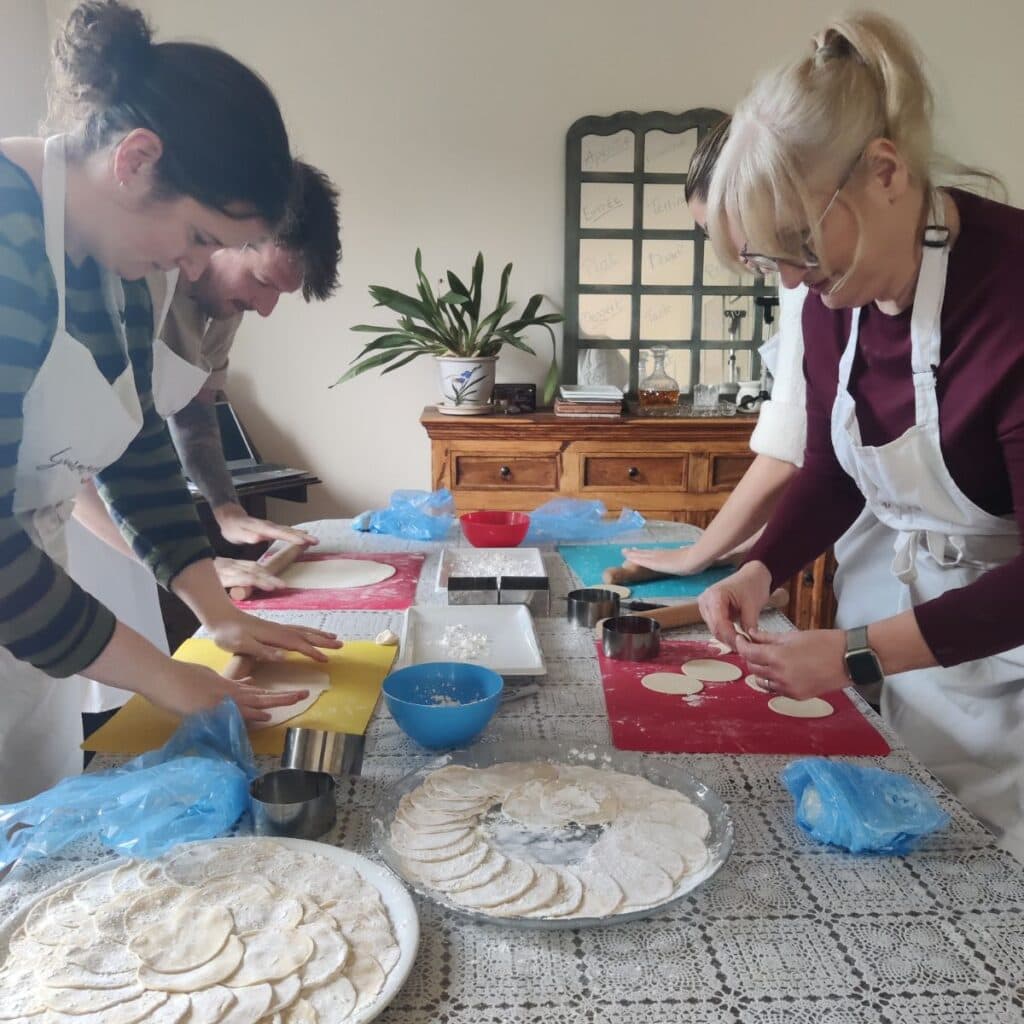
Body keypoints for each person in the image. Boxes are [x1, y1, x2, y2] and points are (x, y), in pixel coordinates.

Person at [698, 11, 1024, 856]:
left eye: (803, 246)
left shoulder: (1012, 298)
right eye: (775, 263)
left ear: (884, 171)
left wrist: (853, 653)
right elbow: (838, 469)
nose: (796, 281)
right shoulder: (827, 300)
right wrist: (761, 565)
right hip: (902, 656)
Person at [0, 0, 339, 802]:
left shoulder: (121, 265)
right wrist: (164, 677)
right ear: (136, 160)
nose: (192, 269)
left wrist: (211, 607)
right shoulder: (10, 242)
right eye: (198, 237)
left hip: (35, 620)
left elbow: (139, 442)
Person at [70, 161, 343, 717]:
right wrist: (195, 579)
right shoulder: (120, 277)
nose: (266, 308)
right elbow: (74, 476)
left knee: (118, 705)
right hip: (75, 526)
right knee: (59, 710)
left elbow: (170, 427)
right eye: (263, 282)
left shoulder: (212, 305)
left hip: (126, 518)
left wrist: (223, 515)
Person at [622, 119, 808, 577]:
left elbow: (790, 451)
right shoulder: (796, 273)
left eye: (720, 228)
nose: (740, 258)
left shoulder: (807, 275)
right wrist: (749, 547)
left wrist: (697, 555)